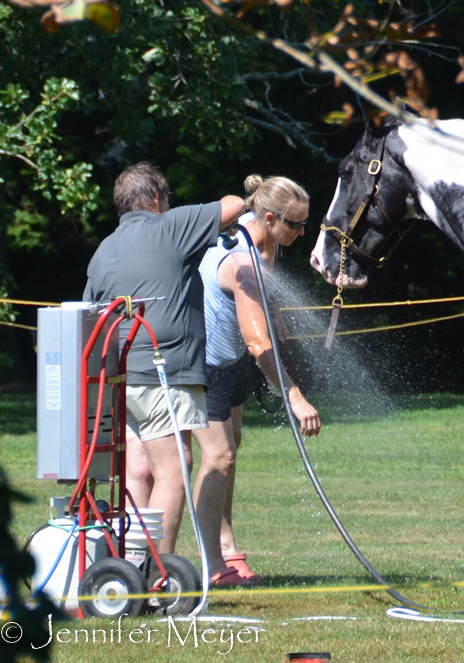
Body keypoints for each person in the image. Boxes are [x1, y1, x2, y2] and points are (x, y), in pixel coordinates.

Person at [82, 162, 246, 578]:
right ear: (157, 199)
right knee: (175, 467)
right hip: (164, 374)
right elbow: (232, 206)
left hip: (117, 381)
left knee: (138, 470)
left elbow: (89, 315)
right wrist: (253, 192)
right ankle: (157, 574)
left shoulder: (103, 250)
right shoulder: (169, 226)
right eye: (167, 198)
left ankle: (128, 567)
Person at [193, 174, 322, 584]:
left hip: (230, 363)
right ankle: (212, 564)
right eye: (296, 225)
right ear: (269, 217)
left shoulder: (265, 246)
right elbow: (255, 339)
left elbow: (267, 310)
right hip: (203, 365)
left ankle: (226, 547)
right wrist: (294, 397)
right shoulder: (241, 260)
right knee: (219, 457)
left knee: (233, 450)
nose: (303, 233)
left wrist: (289, 346)